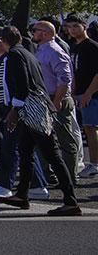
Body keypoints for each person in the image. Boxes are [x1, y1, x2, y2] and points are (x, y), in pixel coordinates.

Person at [0, 28, 80, 216]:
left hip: (32, 110)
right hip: (37, 107)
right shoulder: (27, 53)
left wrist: (14, 111)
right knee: (26, 152)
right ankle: (22, 194)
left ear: (3, 40)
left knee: (51, 154)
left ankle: (71, 201)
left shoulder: (14, 55)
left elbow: (22, 86)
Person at [30, 20, 81, 187]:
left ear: (44, 33)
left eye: (35, 30)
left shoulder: (54, 51)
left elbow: (65, 79)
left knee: (66, 141)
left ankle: (69, 178)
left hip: (56, 99)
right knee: (42, 140)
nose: (33, 33)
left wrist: (57, 101)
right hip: (44, 99)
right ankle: (47, 174)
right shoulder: (40, 50)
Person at [64, 15, 98, 178]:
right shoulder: (74, 47)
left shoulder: (92, 46)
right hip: (79, 93)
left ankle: (95, 164)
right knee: (86, 128)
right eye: (69, 27)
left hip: (92, 94)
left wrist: (88, 93)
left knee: (91, 128)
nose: (72, 29)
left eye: (76, 26)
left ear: (84, 26)